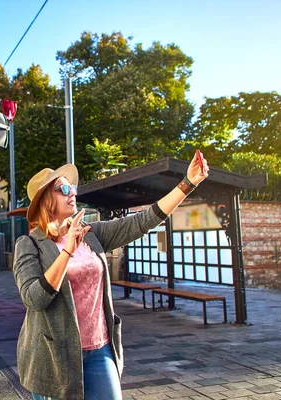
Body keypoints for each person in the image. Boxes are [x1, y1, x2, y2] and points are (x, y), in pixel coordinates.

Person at [13, 153, 209, 400]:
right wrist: (67, 252)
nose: (72, 192)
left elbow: (142, 221)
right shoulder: (29, 244)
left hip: (99, 349)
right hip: (54, 357)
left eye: (72, 187)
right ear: (45, 200)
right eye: (63, 188)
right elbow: (34, 299)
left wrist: (188, 184)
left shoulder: (91, 234)